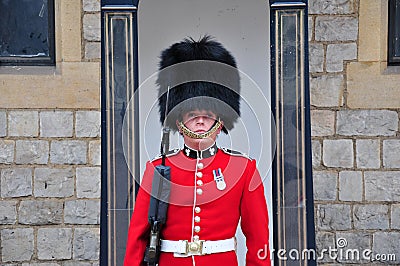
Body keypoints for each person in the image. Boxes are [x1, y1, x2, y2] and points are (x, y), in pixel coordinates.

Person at [124, 36, 271, 266]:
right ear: (179, 121)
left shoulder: (243, 169)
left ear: (220, 122)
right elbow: (138, 237)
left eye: (208, 116)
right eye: (192, 115)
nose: (200, 122)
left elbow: (258, 237)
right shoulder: (158, 169)